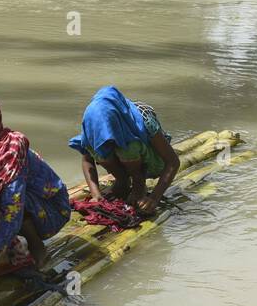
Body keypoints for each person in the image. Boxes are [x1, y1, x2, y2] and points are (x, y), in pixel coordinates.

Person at [0, 95, 70, 282]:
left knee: (7, 198)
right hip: (17, 208)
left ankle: (37, 248)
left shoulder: (11, 148)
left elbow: (12, 210)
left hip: (49, 209)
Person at [69, 86, 180, 217]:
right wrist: (96, 194)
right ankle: (122, 179)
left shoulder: (143, 119)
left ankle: (139, 182)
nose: (109, 144)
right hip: (124, 164)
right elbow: (87, 158)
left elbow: (173, 162)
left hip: (150, 161)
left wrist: (154, 198)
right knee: (96, 148)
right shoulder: (93, 123)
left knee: (129, 147)